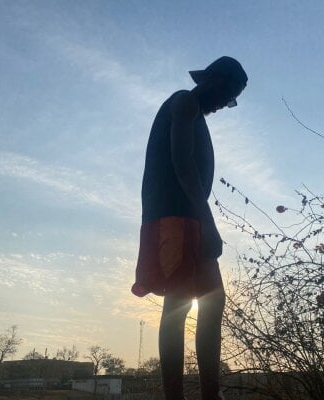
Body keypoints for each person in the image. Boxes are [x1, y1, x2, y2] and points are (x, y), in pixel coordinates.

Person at [131, 56, 248, 400]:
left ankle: (211, 393)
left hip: (189, 218)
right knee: (178, 304)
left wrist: (201, 221)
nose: (225, 104)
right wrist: (207, 222)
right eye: (228, 95)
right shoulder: (184, 102)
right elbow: (182, 165)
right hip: (175, 219)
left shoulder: (194, 112)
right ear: (214, 81)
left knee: (212, 301)